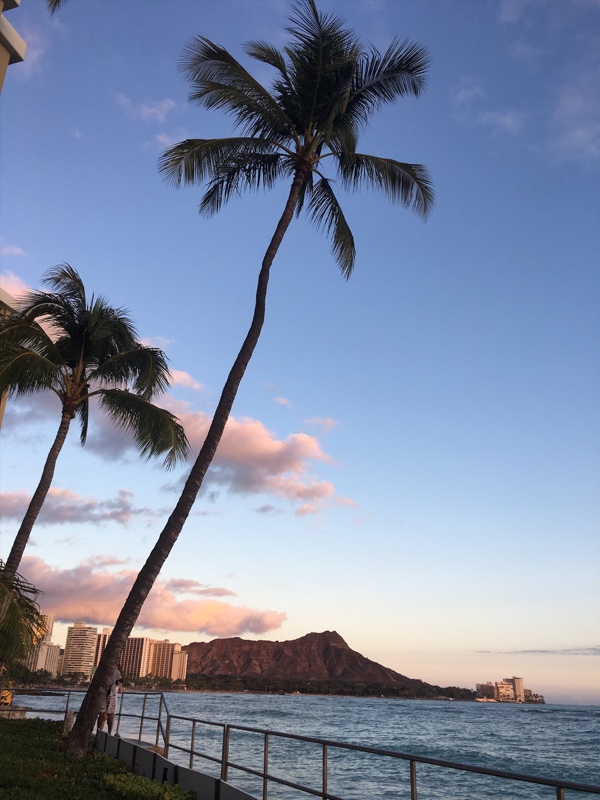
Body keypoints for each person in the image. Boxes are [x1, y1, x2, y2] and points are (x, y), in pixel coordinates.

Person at [97, 663, 123, 735]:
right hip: (113, 695)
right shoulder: (116, 673)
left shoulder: (104, 671)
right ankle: (109, 733)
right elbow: (121, 690)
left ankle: (99, 731)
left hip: (104, 693)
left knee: (102, 714)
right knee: (110, 715)